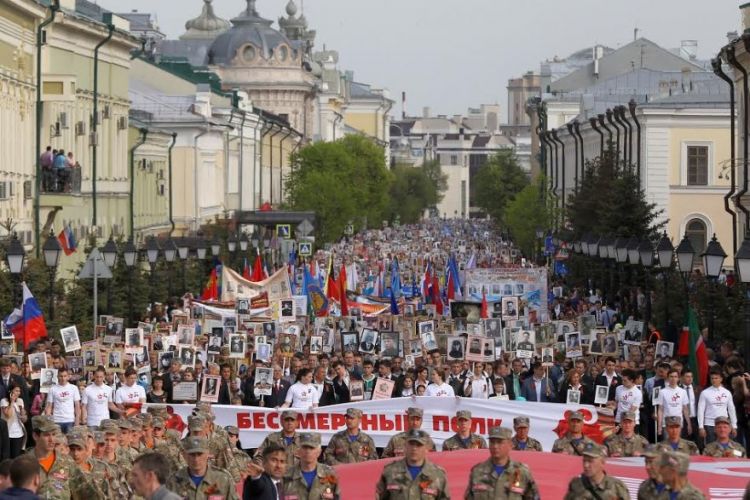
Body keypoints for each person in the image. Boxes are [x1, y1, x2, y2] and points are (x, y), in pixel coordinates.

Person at [464, 426, 539, 499]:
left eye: (500, 442)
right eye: (492, 442)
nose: (495, 446)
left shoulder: (522, 472)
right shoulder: (477, 471)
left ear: (510, 445)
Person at [375, 429, 450, 499]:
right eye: (411, 444)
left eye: (419, 445)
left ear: (426, 449)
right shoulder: (389, 472)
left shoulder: (437, 475)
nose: (414, 448)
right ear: (405, 446)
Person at [167, 437, 238, 499]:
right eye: (192, 455)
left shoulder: (222, 480)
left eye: (200, 454)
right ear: (185, 456)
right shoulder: (173, 481)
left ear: (207, 454)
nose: (196, 459)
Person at [282, 433, 341, 500]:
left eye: (311, 448)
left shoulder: (331, 474)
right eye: (304, 447)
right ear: (298, 451)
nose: (308, 451)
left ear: (319, 452)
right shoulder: (286, 476)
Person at [563, 443, 629, 500]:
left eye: (590, 461)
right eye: (584, 461)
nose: (586, 465)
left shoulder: (617, 487)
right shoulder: (576, 485)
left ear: (602, 462)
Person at [697, 369, 737, 444]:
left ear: (721, 379)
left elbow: (731, 410)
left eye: (716, 378)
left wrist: (734, 426)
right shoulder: (705, 393)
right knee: (710, 447)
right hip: (709, 425)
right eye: (712, 378)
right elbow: (700, 410)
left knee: (725, 446)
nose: (714, 380)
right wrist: (701, 427)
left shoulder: (727, 392)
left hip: (724, 424)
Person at [44, 368, 80, 433]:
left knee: (69, 442)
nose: (63, 378)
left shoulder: (74, 388)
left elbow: (77, 405)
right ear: (57, 377)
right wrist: (48, 420)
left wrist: (77, 419)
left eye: (65, 376)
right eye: (61, 376)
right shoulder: (52, 389)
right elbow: (49, 406)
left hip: (70, 420)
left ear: (68, 377)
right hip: (56, 420)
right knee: (58, 441)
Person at [1, 385, 26, 458]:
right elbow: (8, 415)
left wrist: (23, 414)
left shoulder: (20, 401)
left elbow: (23, 418)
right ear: (10, 391)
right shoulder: (4, 401)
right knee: (6, 457)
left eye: (19, 391)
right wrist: (12, 402)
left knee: (16, 457)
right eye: (16, 391)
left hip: (18, 433)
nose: (18, 393)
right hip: (7, 433)